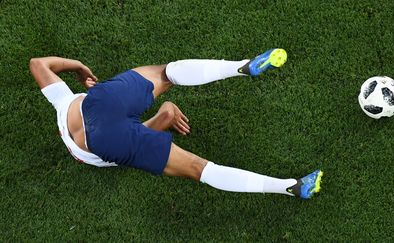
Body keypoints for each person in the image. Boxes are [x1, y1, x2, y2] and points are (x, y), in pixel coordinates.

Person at [29, 48, 323, 199]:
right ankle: (240, 67)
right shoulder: (62, 102)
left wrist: (163, 118)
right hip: (98, 101)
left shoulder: (90, 155)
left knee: (200, 168)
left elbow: (131, 136)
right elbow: (37, 64)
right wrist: (79, 67)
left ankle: (291, 187)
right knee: (166, 74)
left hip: (107, 140)